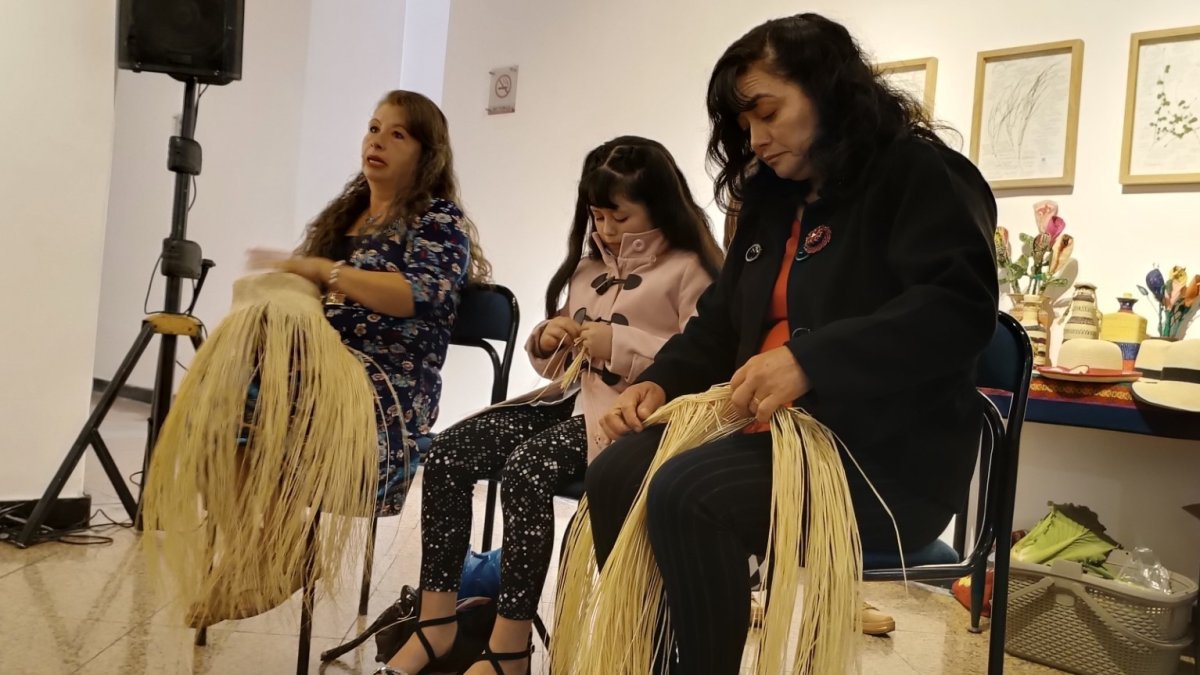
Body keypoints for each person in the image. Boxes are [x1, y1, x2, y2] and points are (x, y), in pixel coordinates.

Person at [584, 14, 999, 674]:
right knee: (616, 473)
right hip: (765, 434)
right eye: (744, 123)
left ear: (828, 88)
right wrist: (658, 382)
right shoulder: (774, 197)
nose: (756, 136)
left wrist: (811, 360)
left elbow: (958, 309)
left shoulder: (921, 174)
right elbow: (721, 323)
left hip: (879, 459)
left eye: (767, 112)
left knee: (688, 493)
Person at [381, 136, 723, 675]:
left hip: (630, 420)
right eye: (597, 216)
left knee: (527, 469)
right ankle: (435, 623)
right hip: (566, 403)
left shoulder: (690, 269)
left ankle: (510, 648)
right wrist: (547, 341)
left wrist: (620, 347)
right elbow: (560, 367)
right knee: (448, 454)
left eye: (619, 216)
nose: (606, 230)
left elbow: (705, 359)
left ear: (659, 207)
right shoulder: (588, 268)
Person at [248, 90, 489, 518]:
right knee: (230, 403)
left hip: (384, 393)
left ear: (426, 154)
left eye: (397, 135)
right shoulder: (342, 217)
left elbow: (418, 294)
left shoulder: (438, 221)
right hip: (315, 371)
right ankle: (271, 553)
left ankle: (276, 557)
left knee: (270, 406)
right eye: (373, 128)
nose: (376, 141)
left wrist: (326, 271)